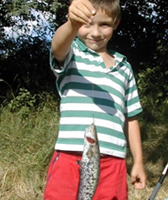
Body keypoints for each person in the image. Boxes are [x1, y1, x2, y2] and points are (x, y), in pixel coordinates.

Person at [43, 0, 147, 199]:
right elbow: (58, 47)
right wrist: (72, 24)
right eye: (86, 23)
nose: (96, 33)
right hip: (69, 157)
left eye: (104, 24)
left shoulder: (124, 67)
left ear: (116, 23)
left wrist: (139, 162)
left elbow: (131, 119)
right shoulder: (72, 53)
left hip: (113, 163)